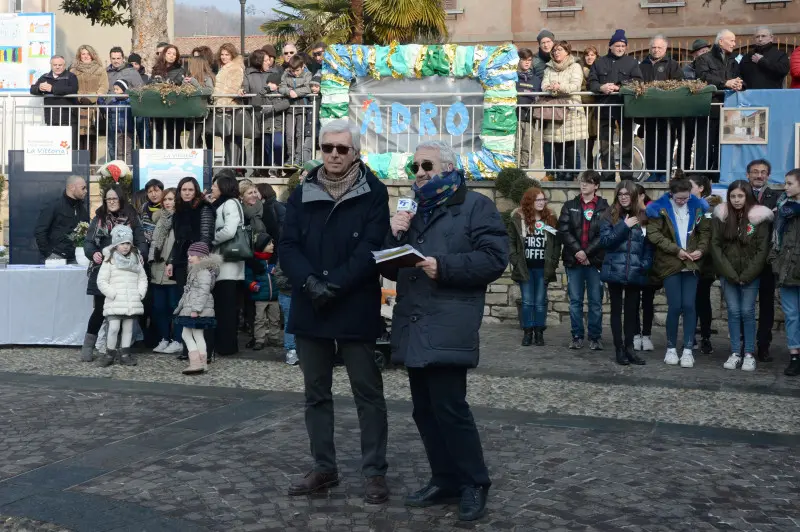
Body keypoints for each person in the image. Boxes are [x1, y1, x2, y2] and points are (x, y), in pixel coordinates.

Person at [382, 140, 507, 522]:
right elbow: (389, 268)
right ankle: (444, 478)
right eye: (414, 167)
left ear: (448, 168)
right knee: (424, 410)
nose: (419, 173)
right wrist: (394, 235)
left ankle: (474, 482)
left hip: (449, 322)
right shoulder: (412, 209)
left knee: (451, 408)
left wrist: (445, 267)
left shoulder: (475, 206)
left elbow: (494, 258)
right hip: (414, 321)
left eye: (427, 166)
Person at [280, 120, 390, 503]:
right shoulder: (302, 191)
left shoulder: (374, 192)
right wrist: (311, 283)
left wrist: (336, 284)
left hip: (354, 302)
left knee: (367, 392)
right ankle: (324, 467)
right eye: (328, 148)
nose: (334, 155)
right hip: (312, 303)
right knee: (316, 393)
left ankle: (375, 471)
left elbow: (372, 248)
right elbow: (288, 245)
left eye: (342, 149)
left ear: (355, 153)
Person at [646, 178, 710, 368]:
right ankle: (671, 348)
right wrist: (676, 250)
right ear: (671, 194)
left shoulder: (699, 207)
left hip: (692, 263)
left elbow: (705, 233)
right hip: (671, 263)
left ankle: (688, 349)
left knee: (689, 305)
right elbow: (654, 235)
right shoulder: (659, 208)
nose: (683, 201)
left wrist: (701, 250)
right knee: (675, 306)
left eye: (686, 198)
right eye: (679, 198)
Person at [710, 180, 772, 372]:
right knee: (734, 312)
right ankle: (735, 352)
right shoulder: (721, 217)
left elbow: (762, 250)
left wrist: (747, 274)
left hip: (750, 275)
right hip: (728, 275)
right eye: (733, 196)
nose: (736, 200)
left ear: (747, 196)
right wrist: (729, 273)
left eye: (740, 196)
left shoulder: (758, 218)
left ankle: (748, 354)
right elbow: (715, 246)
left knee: (747, 312)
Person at [80, 186, 146, 363]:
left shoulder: (132, 217)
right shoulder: (99, 218)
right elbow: (88, 242)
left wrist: (140, 254)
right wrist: (93, 253)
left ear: (121, 199)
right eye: (108, 199)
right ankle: (88, 346)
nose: (111, 202)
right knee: (100, 311)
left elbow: (140, 240)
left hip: (126, 271)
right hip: (105, 268)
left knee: (127, 314)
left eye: (114, 198)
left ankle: (122, 350)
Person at [599, 181, 651, 366]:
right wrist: (624, 226)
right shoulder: (609, 215)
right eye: (620, 194)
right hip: (615, 270)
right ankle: (618, 349)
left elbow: (648, 245)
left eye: (627, 194)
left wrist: (644, 264)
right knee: (616, 311)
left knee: (631, 312)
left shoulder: (643, 216)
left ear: (634, 196)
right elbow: (606, 241)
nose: (623, 197)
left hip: (635, 271)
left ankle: (630, 349)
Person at [558, 170, 608, 350]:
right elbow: (563, 230)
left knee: (595, 302)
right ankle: (577, 336)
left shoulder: (604, 207)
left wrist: (587, 253)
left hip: (594, 262)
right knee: (575, 301)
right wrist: (579, 252)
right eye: (582, 181)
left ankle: (595, 337)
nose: (583, 184)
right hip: (574, 261)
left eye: (588, 182)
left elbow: (604, 234)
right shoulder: (569, 205)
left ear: (596, 186)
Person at [588, 29, 643, 180]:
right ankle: (608, 174)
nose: (620, 48)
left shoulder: (632, 62)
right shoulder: (599, 63)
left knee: (626, 142)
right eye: (617, 45)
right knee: (605, 143)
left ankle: (626, 175)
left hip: (625, 108)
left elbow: (638, 81)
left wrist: (620, 87)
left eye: (623, 46)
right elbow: (591, 82)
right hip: (605, 107)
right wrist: (601, 87)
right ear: (610, 46)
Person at [509, 187, 560, 347]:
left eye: (543, 199)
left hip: (543, 268)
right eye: (537, 200)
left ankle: (539, 332)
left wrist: (553, 262)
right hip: (525, 267)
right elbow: (510, 242)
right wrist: (515, 260)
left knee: (540, 302)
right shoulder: (518, 219)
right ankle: (527, 332)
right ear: (530, 201)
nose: (541, 203)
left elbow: (556, 242)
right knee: (527, 302)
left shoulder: (550, 218)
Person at [95, 224, 148, 367]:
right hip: (116, 301)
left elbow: (142, 278)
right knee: (113, 327)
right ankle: (109, 354)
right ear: (116, 245)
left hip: (131, 300)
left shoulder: (135, 259)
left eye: (128, 243)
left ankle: (125, 354)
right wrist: (112, 293)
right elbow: (101, 281)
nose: (125, 246)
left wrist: (140, 293)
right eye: (122, 243)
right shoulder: (109, 260)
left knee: (129, 328)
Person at [694, 30, 743, 176]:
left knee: (724, 145)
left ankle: (719, 176)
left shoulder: (733, 59)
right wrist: (725, 83)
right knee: (705, 145)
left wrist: (740, 84)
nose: (734, 44)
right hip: (710, 107)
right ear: (721, 41)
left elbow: (740, 77)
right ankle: (701, 177)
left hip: (729, 109)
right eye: (732, 40)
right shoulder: (704, 59)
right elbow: (703, 77)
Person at [746, 159, 780, 361]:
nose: (759, 176)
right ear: (748, 174)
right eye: (755, 172)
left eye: (763, 172)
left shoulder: (777, 198)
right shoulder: (740, 194)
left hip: (767, 261)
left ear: (768, 175)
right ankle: (744, 343)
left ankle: (763, 346)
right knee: (745, 306)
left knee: (767, 306)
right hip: (745, 259)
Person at [208, 174, 245, 357]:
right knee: (223, 307)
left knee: (227, 308)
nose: (212, 188)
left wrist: (210, 240)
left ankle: (227, 345)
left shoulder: (230, 204)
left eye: (215, 185)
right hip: (222, 263)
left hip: (228, 264)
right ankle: (222, 343)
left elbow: (230, 231)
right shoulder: (220, 204)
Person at [639, 35, 683, 182]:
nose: (656, 50)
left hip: (667, 113)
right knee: (650, 143)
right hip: (648, 112)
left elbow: (679, 84)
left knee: (666, 143)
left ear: (665, 49)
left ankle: (665, 172)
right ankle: (652, 173)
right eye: (653, 47)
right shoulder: (642, 65)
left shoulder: (673, 64)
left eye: (659, 47)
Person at [541, 40, 587, 181]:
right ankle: (556, 172)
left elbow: (575, 86)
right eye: (554, 50)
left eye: (560, 49)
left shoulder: (575, 67)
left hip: (571, 109)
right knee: (554, 142)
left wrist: (558, 87)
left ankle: (572, 173)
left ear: (567, 52)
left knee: (570, 143)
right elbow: (544, 86)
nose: (556, 52)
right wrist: (552, 88)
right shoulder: (548, 68)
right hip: (554, 109)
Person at [173, 242, 221, 374]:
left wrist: (196, 309)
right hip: (192, 307)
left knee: (190, 334)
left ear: (201, 256)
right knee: (196, 334)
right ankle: (202, 363)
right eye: (189, 255)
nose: (189, 257)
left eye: (192, 255)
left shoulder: (202, 272)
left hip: (196, 308)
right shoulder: (198, 270)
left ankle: (196, 363)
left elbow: (204, 291)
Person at [772, 169, 800, 377]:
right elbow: (775, 241)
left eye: (789, 183)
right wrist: (775, 262)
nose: (785, 187)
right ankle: (794, 356)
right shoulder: (782, 208)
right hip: (787, 270)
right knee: (791, 316)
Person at [148, 187, 183, 355]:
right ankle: (164, 338)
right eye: (166, 200)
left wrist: (173, 262)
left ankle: (177, 339)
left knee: (174, 306)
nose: (169, 203)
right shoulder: (159, 219)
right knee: (159, 307)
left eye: (172, 199)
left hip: (173, 270)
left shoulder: (181, 219)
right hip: (157, 268)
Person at [688, 173, 719, 355]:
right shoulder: (684, 205)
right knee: (688, 302)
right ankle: (690, 336)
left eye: (690, 185)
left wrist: (701, 251)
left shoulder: (711, 208)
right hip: (687, 260)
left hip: (705, 262)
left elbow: (711, 236)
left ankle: (705, 337)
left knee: (702, 300)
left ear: (700, 188)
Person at [242, 49, 288, 171]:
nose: (269, 62)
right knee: (258, 143)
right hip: (255, 112)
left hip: (272, 113)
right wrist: (242, 91)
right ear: (259, 61)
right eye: (266, 60)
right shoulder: (248, 73)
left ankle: (275, 169)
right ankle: (258, 170)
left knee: (274, 143)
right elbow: (245, 88)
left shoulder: (275, 72)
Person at [34, 175, 88, 264]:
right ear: (72, 187)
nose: (86, 191)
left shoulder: (82, 209)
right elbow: (40, 231)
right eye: (83, 188)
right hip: (56, 257)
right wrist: (48, 253)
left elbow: (86, 232)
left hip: (76, 257)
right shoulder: (54, 206)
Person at [30, 55, 79, 146]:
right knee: (54, 145)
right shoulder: (45, 77)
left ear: (64, 65)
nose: (57, 67)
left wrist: (52, 89)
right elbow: (32, 89)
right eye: (55, 65)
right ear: (51, 65)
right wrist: (39, 88)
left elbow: (73, 89)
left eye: (60, 65)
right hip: (51, 116)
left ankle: (71, 160)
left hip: (68, 116)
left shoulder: (71, 76)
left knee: (70, 145)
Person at [70, 45, 108, 159]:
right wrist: (79, 98)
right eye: (83, 54)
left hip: (92, 107)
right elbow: (71, 87)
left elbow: (104, 87)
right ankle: (78, 164)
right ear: (79, 56)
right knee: (78, 136)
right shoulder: (73, 70)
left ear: (92, 55)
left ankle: (91, 164)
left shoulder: (100, 70)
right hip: (78, 106)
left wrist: (92, 97)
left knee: (90, 136)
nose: (86, 56)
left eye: (88, 54)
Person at [106, 47, 144, 160]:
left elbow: (140, 90)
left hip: (126, 114)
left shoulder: (132, 72)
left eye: (118, 58)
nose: (116, 61)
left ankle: (128, 170)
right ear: (110, 59)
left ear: (123, 58)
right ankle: (114, 170)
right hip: (110, 112)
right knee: (112, 144)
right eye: (113, 58)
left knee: (126, 143)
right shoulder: (106, 72)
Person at [633, 183, 658, 352]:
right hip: (633, 266)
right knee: (633, 302)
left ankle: (647, 335)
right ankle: (635, 335)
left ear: (642, 196)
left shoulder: (654, 212)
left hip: (650, 266)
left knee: (648, 302)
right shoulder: (627, 214)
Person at [211, 43, 245, 166]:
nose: (224, 57)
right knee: (227, 139)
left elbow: (233, 88)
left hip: (230, 107)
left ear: (232, 55)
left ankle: (236, 167)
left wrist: (221, 101)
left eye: (227, 54)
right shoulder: (224, 67)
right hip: (223, 107)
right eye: (222, 54)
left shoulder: (235, 68)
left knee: (233, 140)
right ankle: (231, 165)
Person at [245, 234, 280, 350]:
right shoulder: (253, 262)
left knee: (275, 319)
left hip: (274, 295)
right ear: (262, 245)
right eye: (269, 243)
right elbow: (247, 277)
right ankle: (259, 340)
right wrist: (252, 284)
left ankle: (274, 338)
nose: (272, 245)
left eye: (273, 243)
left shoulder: (275, 260)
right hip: (260, 296)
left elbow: (281, 275)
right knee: (260, 319)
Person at [682, 40, 711, 171]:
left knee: (703, 143)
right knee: (685, 143)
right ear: (695, 54)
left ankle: (700, 171)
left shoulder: (711, 67)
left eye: (706, 51)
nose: (705, 54)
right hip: (688, 110)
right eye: (702, 51)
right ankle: (684, 170)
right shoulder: (686, 70)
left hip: (705, 110)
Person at [279, 54, 313, 165]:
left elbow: (308, 88)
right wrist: (289, 92)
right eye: (293, 71)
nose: (295, 73)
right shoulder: (286, 73)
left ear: (302, 66)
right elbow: (281, 87)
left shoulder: (308, 74)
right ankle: (290, 157)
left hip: (302, 108)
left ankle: (298, 157)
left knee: (300, 133)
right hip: (289, 107)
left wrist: (296, 92)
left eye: (297, 70)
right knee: (289, 134)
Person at [150, 44, 185, 150]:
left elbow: (178, 83)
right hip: (158, 108)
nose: (171, 56)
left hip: (173, 108)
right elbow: (151, 84)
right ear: (164, 54)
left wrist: (166, 83)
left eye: (174, 54)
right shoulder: (156, 69)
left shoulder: (180, 70)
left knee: (173, 140)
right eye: (169, 53)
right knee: (158, 140)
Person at [516, 47, 542, 170]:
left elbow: (538, 96)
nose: (527, 62)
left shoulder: (536, 80)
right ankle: (514, 170)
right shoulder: (512, 78)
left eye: (529, 60)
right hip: (514, 117)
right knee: (516, 145)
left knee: (527, 145)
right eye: (523, 59)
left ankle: (524, 169)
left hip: (530, 117)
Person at [272, 259, 297, 365]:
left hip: (304, 295)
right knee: (289, 322)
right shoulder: (285, 257)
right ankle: (291, 350)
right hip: (288, 295)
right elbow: (279, 279)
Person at [579, 46, 598, 170]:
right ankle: (589, 169)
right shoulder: (579, 70)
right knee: (587, 144)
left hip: (598, 111)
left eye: (592, 55)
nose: (590, 57)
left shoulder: (600, 68)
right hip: (585, 111)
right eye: (587, 55)